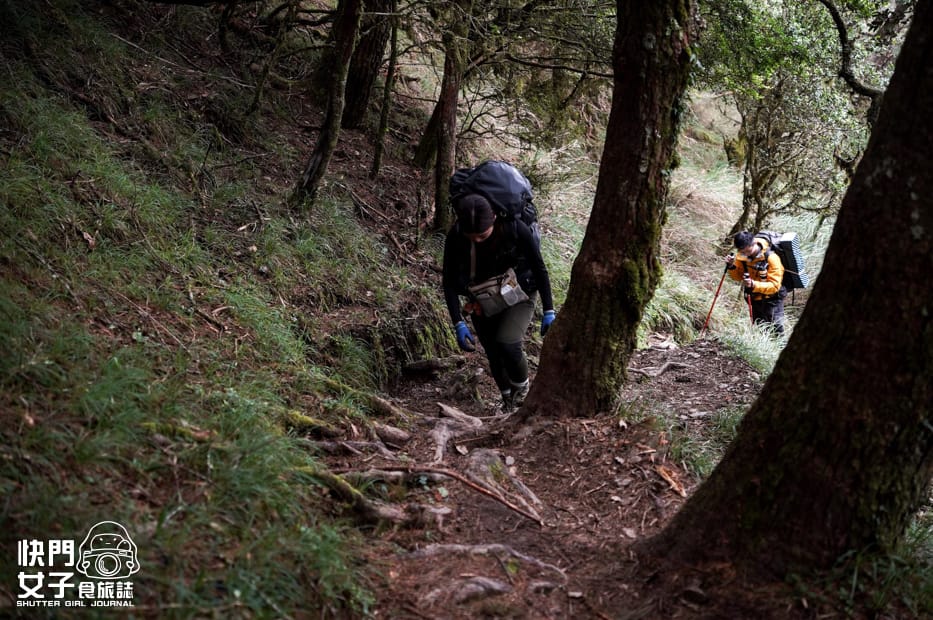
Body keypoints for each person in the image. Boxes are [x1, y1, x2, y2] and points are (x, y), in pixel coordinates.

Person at [442, 194, 556, 411]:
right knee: (493, 352)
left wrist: (549, 309)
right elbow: (448, 281)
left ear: (494, 218)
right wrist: (458, 322)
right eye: (471, 236)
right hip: (482, 299)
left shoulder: (515, 229)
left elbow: (539, 268)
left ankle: (522, 393)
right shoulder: (456, 236)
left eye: (482, 236)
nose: (476, 240)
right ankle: (507, 402)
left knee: (508, 342)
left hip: (520, 293)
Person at [725, 230, 786, 336]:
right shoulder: (742, 256)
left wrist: (754, 284)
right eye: (741, 251)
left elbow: (775, 286)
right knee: (761, 330)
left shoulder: (771, 258)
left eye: (746, 251)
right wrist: (731, 266)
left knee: (776, 332)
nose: (744, 254)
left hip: (772, 300)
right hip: (754, 299)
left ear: (753, 243)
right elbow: (737, 277)